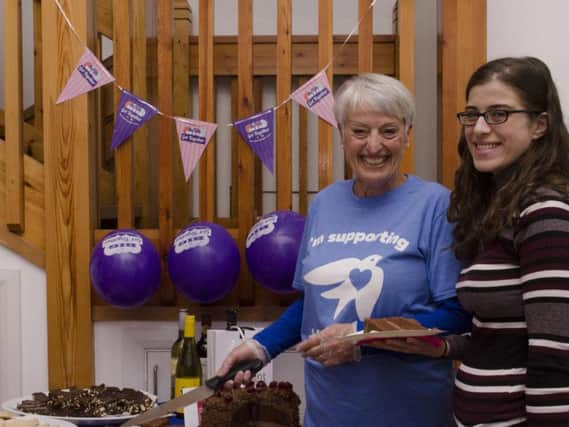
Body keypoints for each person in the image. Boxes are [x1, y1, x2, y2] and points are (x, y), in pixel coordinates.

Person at [217, 73, 471, 427]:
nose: (373, 145)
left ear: (408, 135)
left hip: (410, 414)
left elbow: (456, 315)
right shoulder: (325, 204)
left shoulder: (437, 205)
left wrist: (361, 336)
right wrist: (261, 347)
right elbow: (313, 306)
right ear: (341, 137)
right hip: (327, 413)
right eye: (360, 131)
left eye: (388, 130)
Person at [371, 57, 569, 426]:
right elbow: (498, 339)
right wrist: (440, 346)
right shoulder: (497, 211)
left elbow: (555, 353)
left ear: (540, 124)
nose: (479, 129)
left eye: (498, 114)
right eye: (472, 114)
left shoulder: (545, 212)